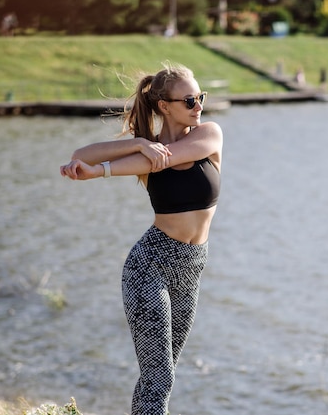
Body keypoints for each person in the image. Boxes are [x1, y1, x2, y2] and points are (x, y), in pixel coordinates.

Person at [60, 63, 223, 415]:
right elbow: (80, 157)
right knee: (159, 376)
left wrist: (107, 169)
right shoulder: (144, 151)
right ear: (165, 105)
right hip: (151, 265)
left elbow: (166, 159)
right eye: (190, 100)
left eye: (201, 97)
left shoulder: (208, 135)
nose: (199, 106)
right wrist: (136, 144)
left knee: (160, 376)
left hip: (191, 269)